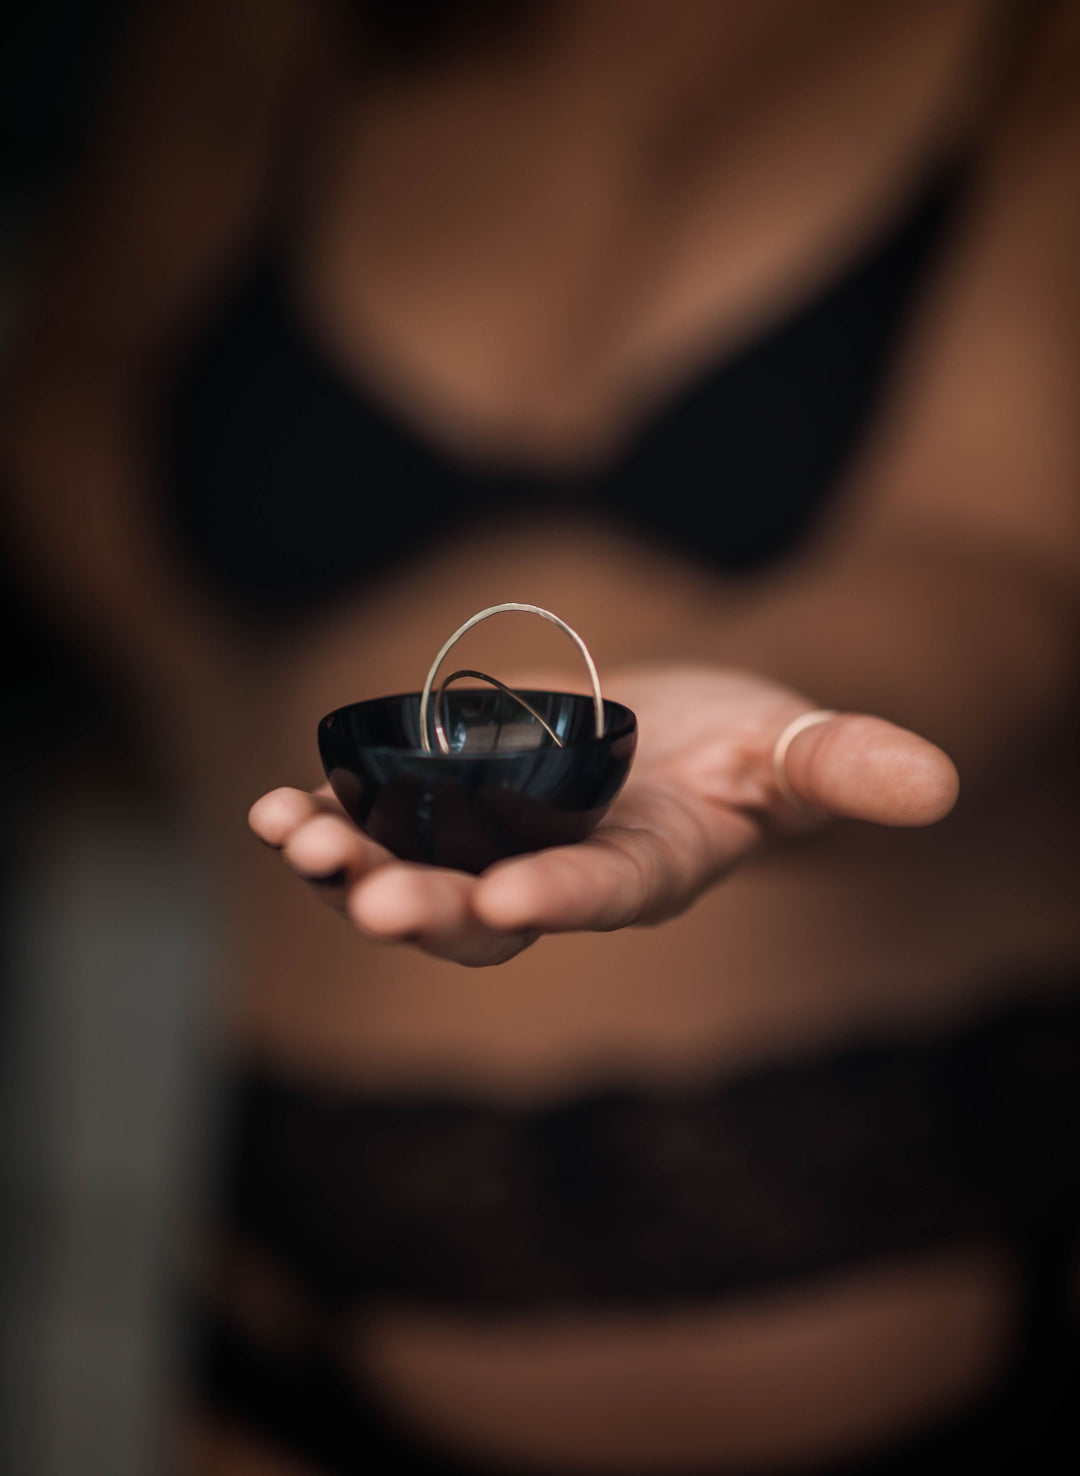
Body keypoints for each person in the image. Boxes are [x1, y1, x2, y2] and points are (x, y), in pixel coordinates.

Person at [4, 1, 1080, 1471]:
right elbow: (77, 404)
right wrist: (226, 717)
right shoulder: (262, 29)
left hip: (878, 1229)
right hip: (285, 1229)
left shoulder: (1030, 45)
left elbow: (1001, 565)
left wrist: (776, 708)